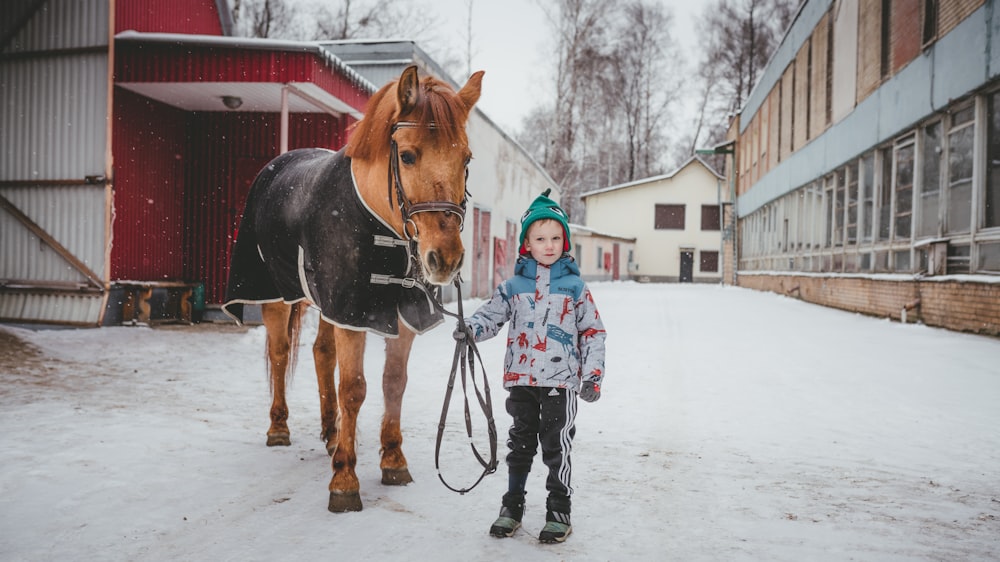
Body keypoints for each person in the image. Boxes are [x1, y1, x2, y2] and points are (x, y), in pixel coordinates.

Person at [455, 189, 607, 544]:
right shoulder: (513, 287)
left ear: (565, 241)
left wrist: (593, 376)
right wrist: (470, 329)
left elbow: (593, 331)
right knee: (520, 444)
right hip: (521, 380)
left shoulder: (575, 288)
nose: (549, 245)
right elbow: (491, 317)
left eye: (556, 238)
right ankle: (512, 505)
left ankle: (559, 509)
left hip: (561, 383)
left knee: (557, 446)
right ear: (526, 243)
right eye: (540, 238)